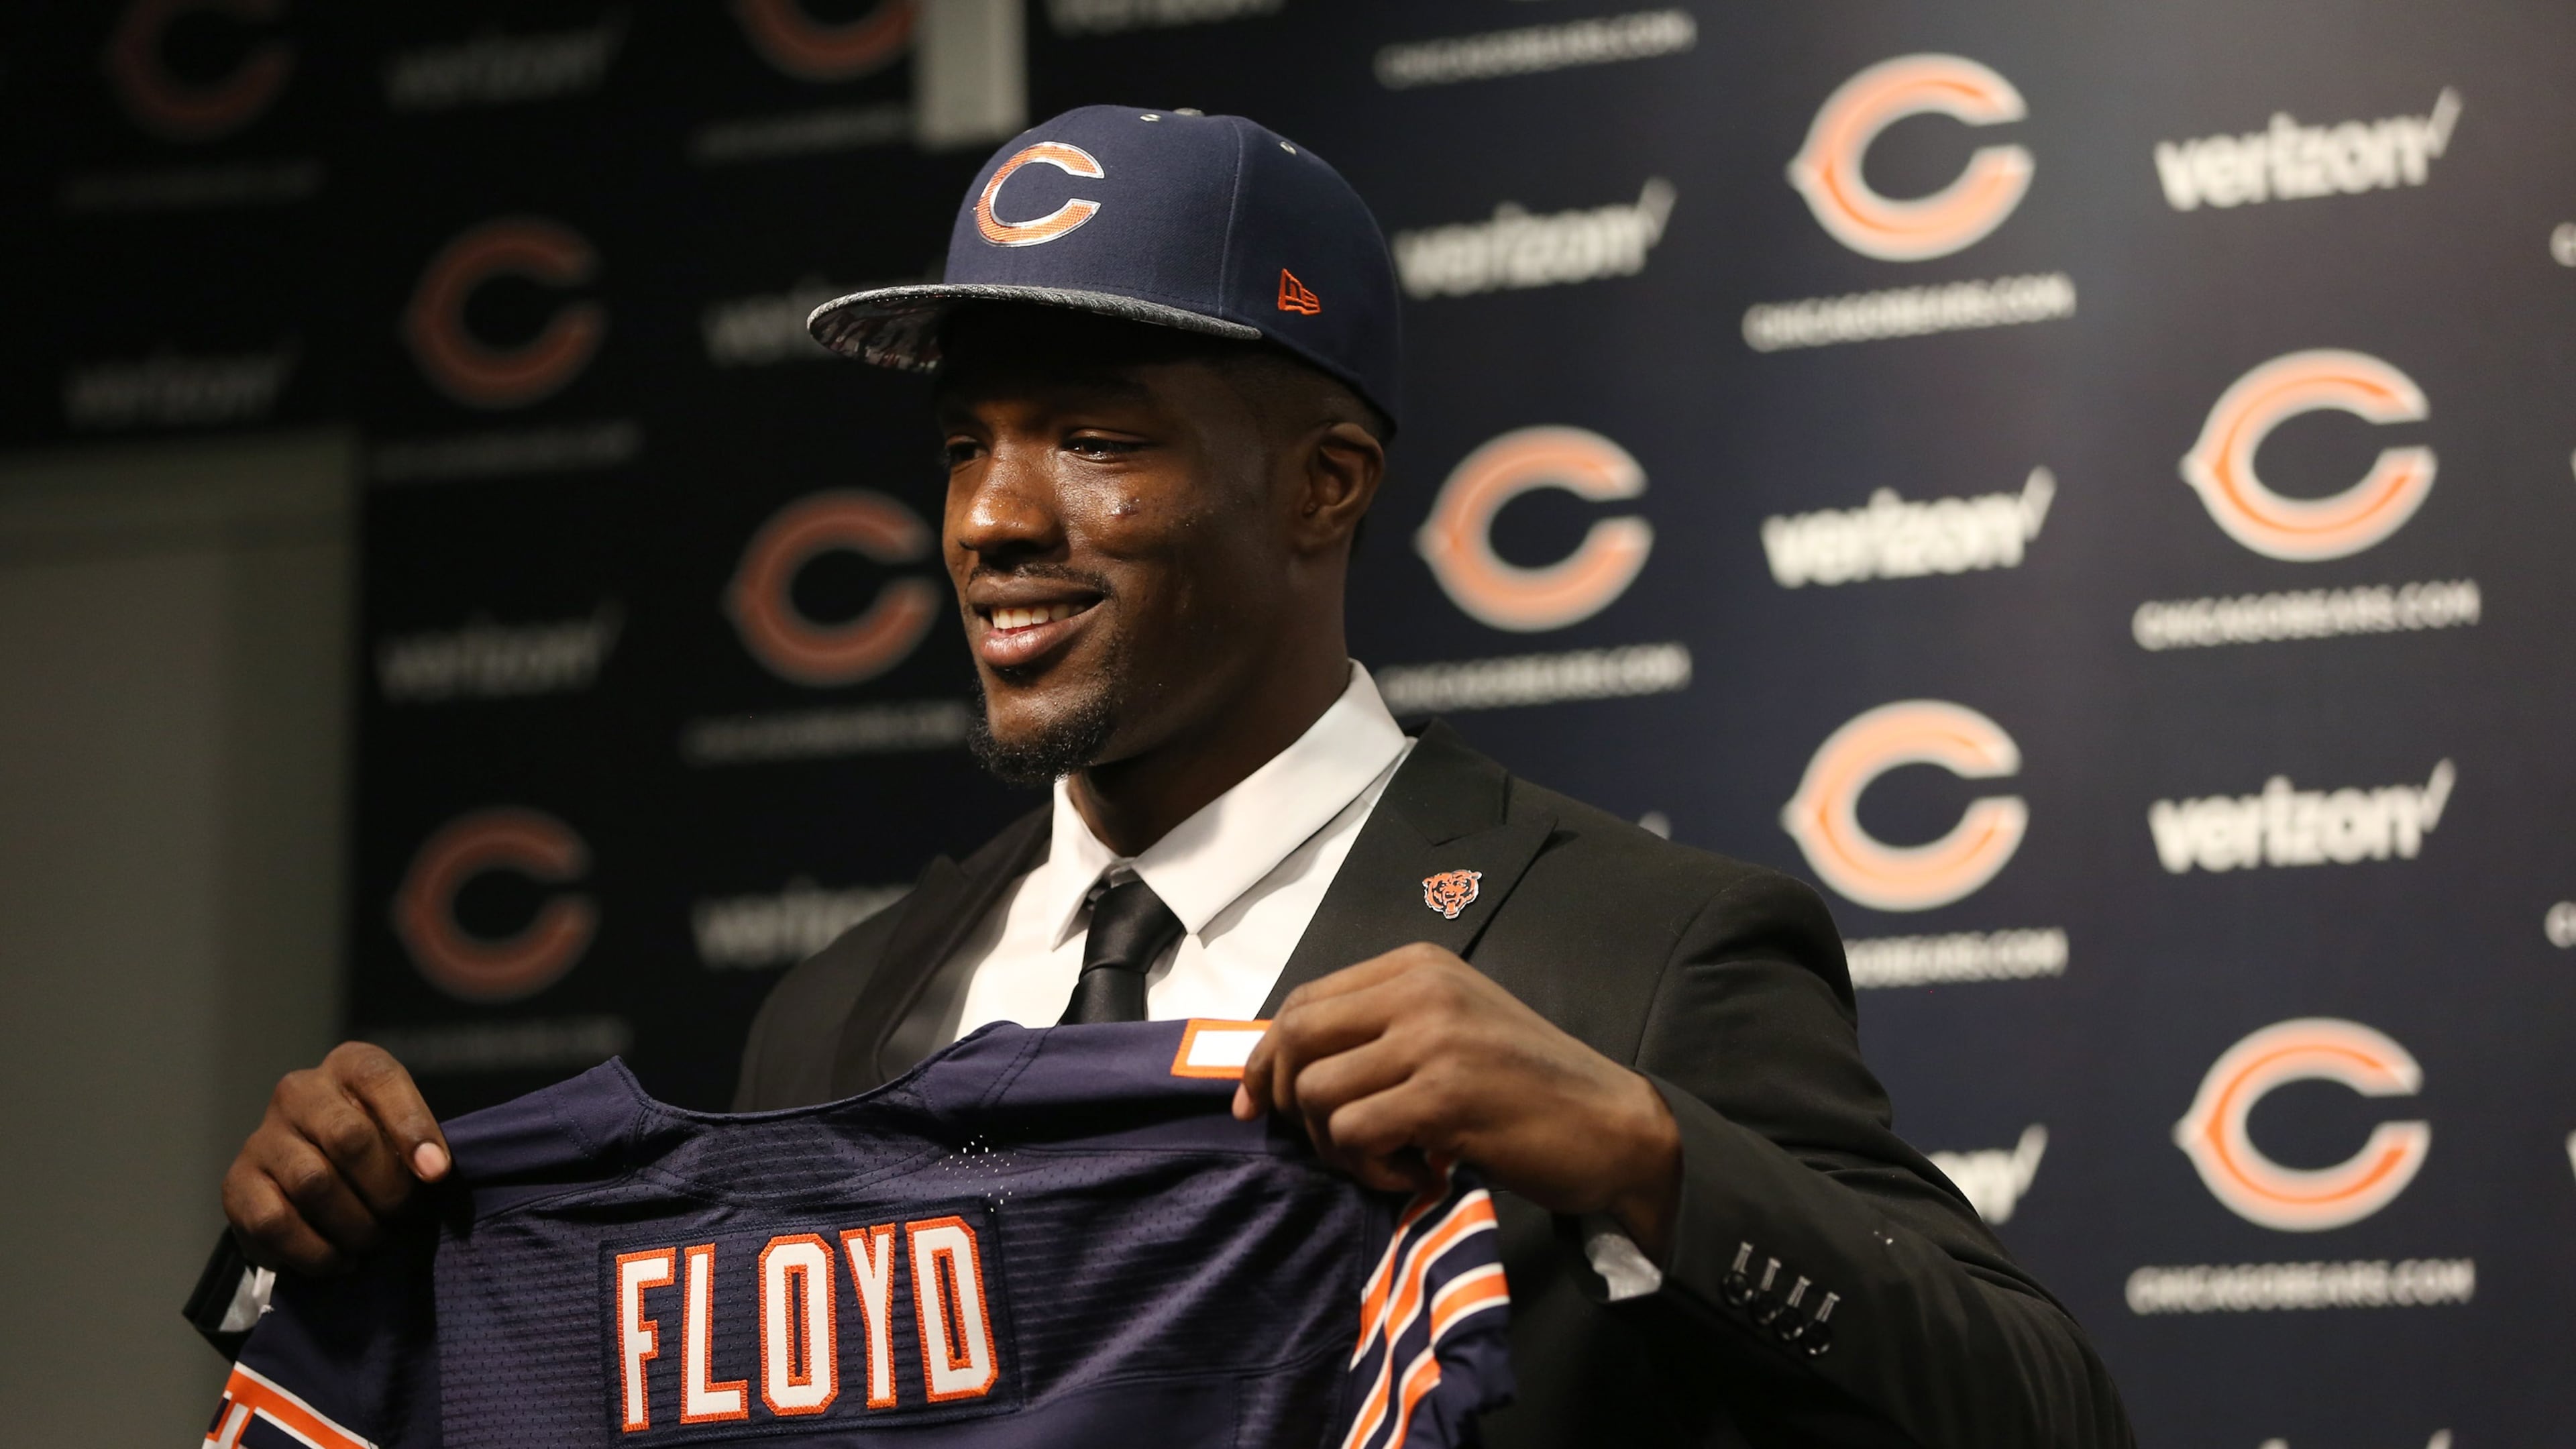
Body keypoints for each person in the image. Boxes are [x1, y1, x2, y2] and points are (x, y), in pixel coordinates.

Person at [203, 107, 2133, 1447]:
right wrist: (340, 1248)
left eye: (1095, 438)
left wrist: (1643, 1151)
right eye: (966, 446)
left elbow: (2043, 1410)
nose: (993, 520)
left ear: (1325, 486)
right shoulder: (843, 1013)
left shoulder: (1637, 950)